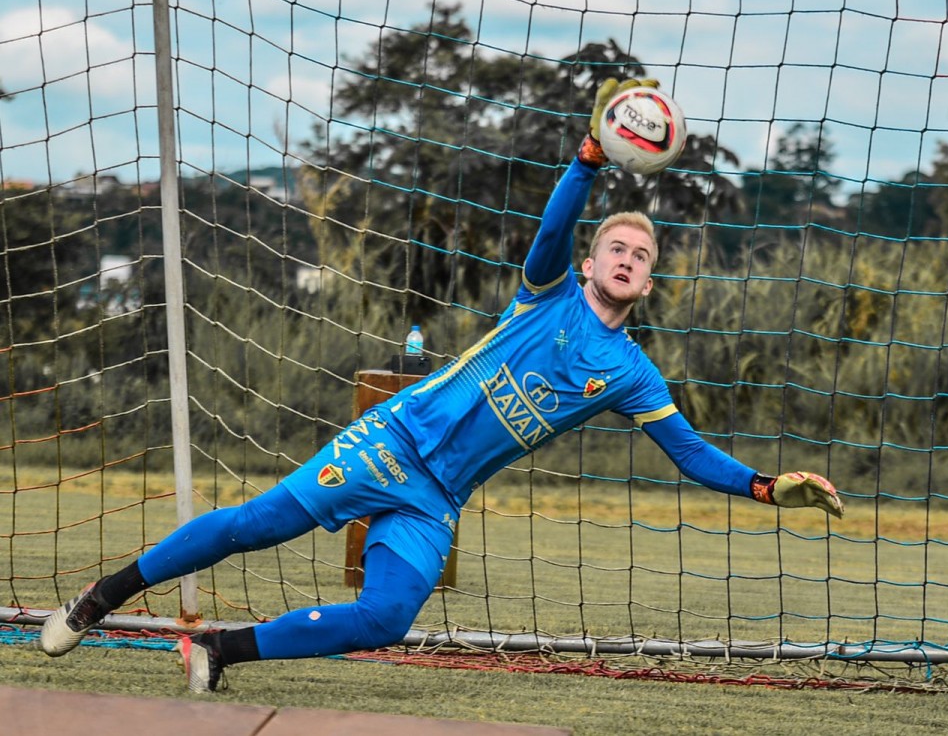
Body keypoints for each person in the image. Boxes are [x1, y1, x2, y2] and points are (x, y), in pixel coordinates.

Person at [39, 78, 844, 693]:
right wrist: (586, 162)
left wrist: (768, 488)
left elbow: (690, 454)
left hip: (436, 496)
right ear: (593, 265)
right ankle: (104, 594)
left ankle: (218, 649)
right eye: (617, 249)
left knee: (386, 617)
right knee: (257, 525)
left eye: (643, 256)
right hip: (393, 440)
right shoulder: (548, 292)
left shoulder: (632, 374)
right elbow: (553, 231)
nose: (628, 258)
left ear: (649, 282)